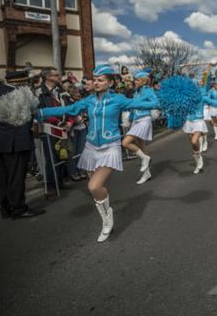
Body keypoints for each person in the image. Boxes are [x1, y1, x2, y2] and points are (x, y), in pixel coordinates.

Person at [36, 65, 159, 242]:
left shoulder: (119, 99)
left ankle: (107, 219)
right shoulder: (89, 101)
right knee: (97, 190)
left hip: (110, 147)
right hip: (91, 148)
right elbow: (67, 110)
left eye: (100, 80)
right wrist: (40, 112)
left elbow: (144, 103)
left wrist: (163, 99)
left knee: (94, 186)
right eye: (94, 79)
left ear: (110, 82)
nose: (96, 82)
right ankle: (106, 214)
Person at [0, 70, 45, 219]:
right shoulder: (22, 95)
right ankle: (19, 208)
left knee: (1, 178)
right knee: (16, 177)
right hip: (16, 142)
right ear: (21, 81)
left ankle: (5, 208)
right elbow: (27, 118)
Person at [122, 71, 158, 185]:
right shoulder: (136, 93)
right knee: (140, 146)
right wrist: (130, 119)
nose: (134, 82)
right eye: (135, 80)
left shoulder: (148, 91)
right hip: (136, 121)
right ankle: (147, 173)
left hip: (144, 120)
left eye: (137, 80)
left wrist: (142, 105)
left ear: (142, 81)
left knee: (126, 143)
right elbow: (133, 107)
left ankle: (145, 158)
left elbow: (156, 103)